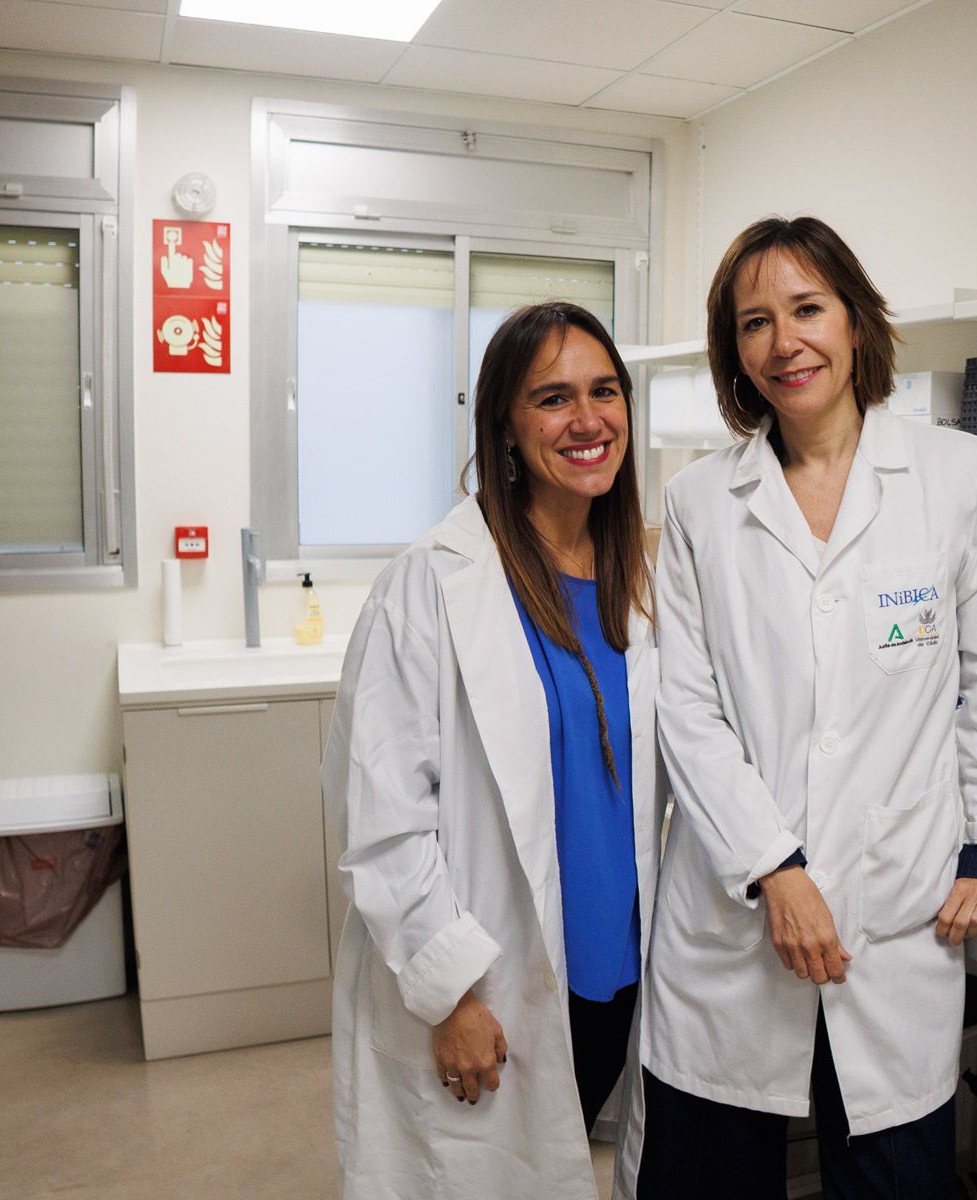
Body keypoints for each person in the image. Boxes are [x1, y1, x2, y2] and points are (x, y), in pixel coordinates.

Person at [636, 217, 977, 1198]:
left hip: (893, 909)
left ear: (855, 321)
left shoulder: (961, 479)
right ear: (735, 351)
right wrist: (775, 868)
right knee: (708, 1175)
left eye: (807, 309)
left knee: (894, 1172)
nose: (785, 341)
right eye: (754, 322)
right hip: (735, 913)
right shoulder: (698, 502)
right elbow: (686, 710)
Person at [323, 301, 659, 1199]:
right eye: (553, 398)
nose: (587, 419)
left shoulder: (640, 579)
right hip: (492, 983)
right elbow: (383, 819)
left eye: (604, 391)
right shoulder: (432, 584)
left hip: (613, 974)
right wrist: (449, 995)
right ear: (505, 426)